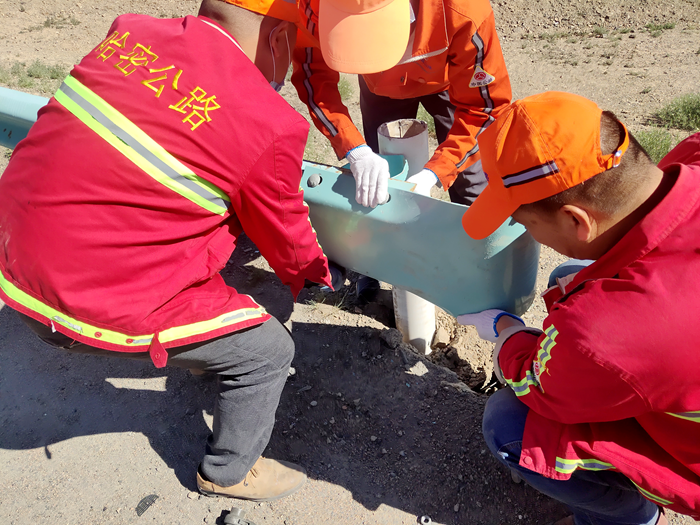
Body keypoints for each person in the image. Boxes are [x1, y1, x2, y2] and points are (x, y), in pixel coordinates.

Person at [0, 0, 332, 502]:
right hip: (75, 301)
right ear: (277, 39)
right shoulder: (268, 122)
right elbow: (287, 237)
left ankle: (198, 352)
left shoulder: (131, 34)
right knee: (267, 353)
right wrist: (320, 273)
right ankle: (228, 471)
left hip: (13, 252)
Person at [459, 91, 700, 524]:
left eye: (523, 222)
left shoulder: (605, 331)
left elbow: (537, 383)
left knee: (509, 423)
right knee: (569, 277)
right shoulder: (692, 155)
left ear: (575, 220)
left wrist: (508, 334)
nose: (525, 232)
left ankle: (628, 519)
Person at [292, 0, 512, 208]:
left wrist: (438, 170)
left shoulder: (463, 10)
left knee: (472, 183)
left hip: (450, 82)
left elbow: (483, 109)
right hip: (379, 88)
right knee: (382, 180)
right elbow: (313, 75)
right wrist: (354, 147)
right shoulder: (316, 5)